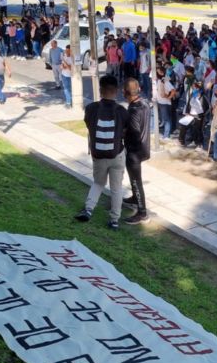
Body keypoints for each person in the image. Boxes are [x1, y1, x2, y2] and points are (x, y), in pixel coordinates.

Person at [76, 76, 130, 230]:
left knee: (98, 183)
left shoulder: (91, 108)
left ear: (100, 90)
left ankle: (88, 209)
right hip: (117, 154)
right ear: (116, 91)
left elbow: (88, 125)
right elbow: (126, 131)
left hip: (98, 154)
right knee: (116, 188)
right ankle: (114, 220)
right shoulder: (122, 111)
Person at [122, 79, 152, 225]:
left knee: (136, 180)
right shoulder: (145, 103)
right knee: (134, 179)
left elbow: (133, 131)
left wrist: (122, 132)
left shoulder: (133, 109)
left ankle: (142, 212)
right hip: (144, 147)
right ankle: (135, 197)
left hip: (135, 151)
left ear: (125, 93)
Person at [179, 81, 207, 150]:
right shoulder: (192, 94)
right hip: (190, 115)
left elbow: (206, 108)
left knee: (198, 130)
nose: (193, 88)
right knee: (183, 126)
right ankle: (182, 141)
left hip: (198, 116)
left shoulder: (202, 97)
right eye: (193, 87)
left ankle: (199, 144)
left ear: (198, 88)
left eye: (194, 87)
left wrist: (200, 116)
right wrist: (187, 112)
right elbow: (188, 104)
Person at [156, 66, 176, 140]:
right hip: (160, 102)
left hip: (165, 103)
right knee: (166, 119)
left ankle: (166, 135)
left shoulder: (165, 81)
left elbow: (173, 90)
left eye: (157, 72)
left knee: (167, 119)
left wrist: (168, 97)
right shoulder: (159, 80)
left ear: (161, 73)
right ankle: (166, 134)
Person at [61, 44, 74, 108]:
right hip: (64, 75)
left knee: (69, 89)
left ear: (71, 51)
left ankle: (70, 102)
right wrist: (63, 65)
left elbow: (70, 68)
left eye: (68, 51)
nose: (66, 52)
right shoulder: (65, 56)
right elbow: (63, 66)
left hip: (70, 76)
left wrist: (64, 62)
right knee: (66, 89)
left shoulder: (72, 58)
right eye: (66, 51)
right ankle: (68, 102)